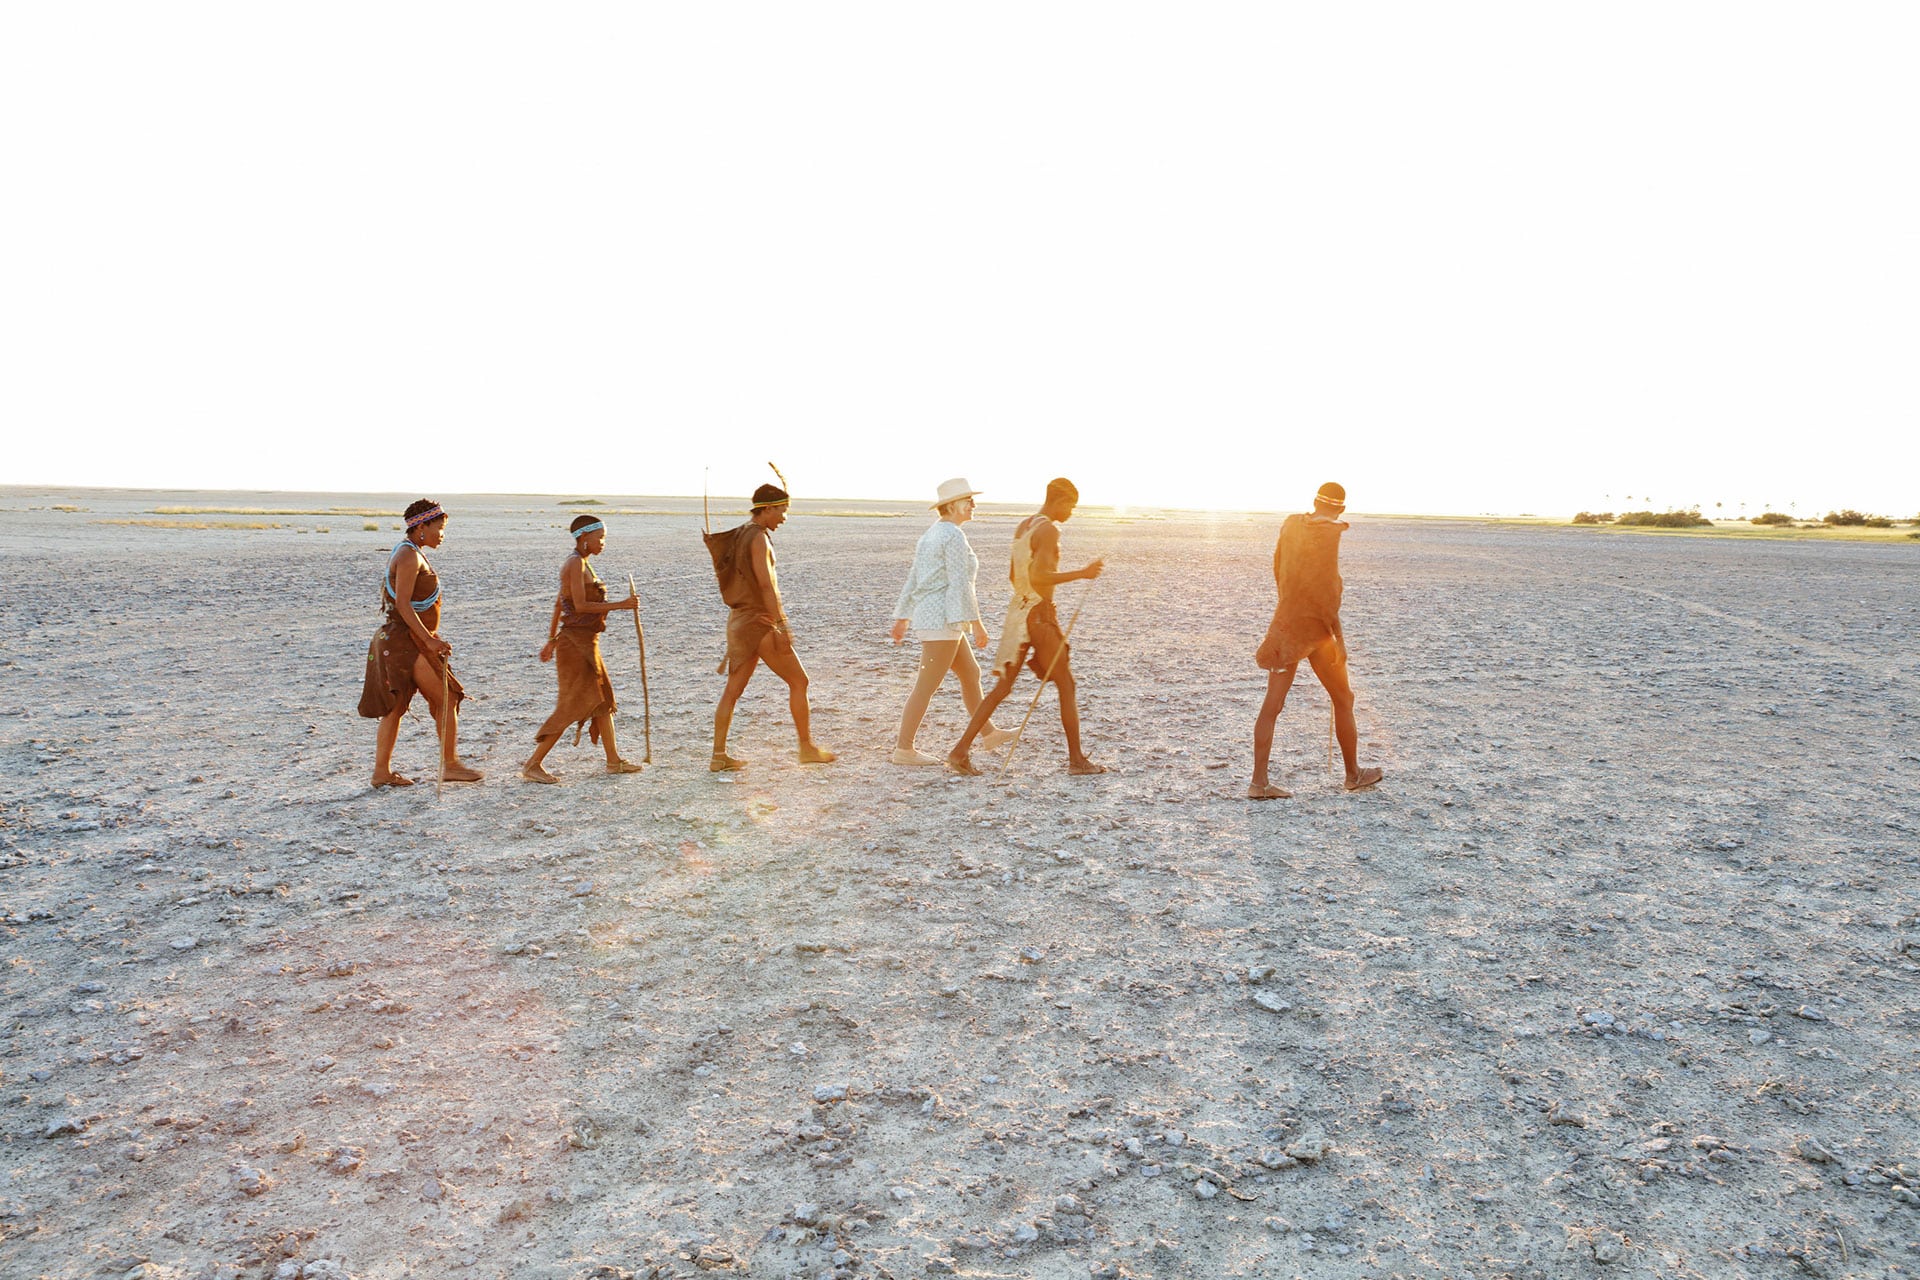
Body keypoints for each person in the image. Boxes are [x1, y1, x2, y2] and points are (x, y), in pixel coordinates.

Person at [948, 477, 1106, 777]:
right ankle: (1076, 761)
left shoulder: (1025, 526)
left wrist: (1030, 597)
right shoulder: (1048, 529)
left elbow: (1014, 575)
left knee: (1002, 687)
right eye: (1070, 506)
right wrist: (1082, 574)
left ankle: (959, 751)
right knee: (1066, 685)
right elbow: (1040, 577)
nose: (1070, 513)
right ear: (1059, 500)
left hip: (1018, 613)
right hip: (1039, 617)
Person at [1248, 481, 1383, 799]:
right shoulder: (1329, 534)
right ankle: (1352, 775)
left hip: (1286, 627)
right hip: (1316, 631)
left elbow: (1278, 567)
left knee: (1272, 706)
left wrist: (1287, 605)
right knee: (1343, 699)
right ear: (1341, 509)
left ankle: (1259, 783)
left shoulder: (1292, 524)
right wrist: (1339, 638)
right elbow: (1326, 594)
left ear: (1313, 501)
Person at [887, 478, 1017, 765]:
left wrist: (903, 616)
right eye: (968, 500)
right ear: (953, 505)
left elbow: (914, 578)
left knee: (970, 673)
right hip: (942, 621)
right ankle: (903, 750)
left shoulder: (932, 534)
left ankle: (989, 733)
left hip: (937, 619)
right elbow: (960, 585)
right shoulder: (953, 537)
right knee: (926, 685)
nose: (973, 504)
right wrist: (978, 624)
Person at [708, 482, 836, 771]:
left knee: (732, 691)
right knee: (799, 681)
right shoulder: (758, 538)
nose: (784, 518)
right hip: (759, 622)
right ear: (766, 509)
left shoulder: (741, 533)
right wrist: (781, 624)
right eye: (781, 511)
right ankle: (806, 748)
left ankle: (718, 755)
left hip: (739, 622)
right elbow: (767, 586)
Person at [358, 499, 483, 787]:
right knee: (447, 697)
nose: (442, 534)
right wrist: (428, 639)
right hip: (406, 643)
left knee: (397, 705)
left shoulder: (412, 553)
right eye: (439, 528)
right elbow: (403, 604)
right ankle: (450, 764)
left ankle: (381, 773)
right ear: (422, 526)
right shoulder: (409, 556)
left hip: (403, 640)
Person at [520, 515, 645, 783]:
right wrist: (621, 605)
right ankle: (533, 763)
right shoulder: (574, 564)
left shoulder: (583, 564)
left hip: (586, 643)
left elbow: (558, 604)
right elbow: (578, 606)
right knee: (572, 704)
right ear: (584, 537)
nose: (603, 543)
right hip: (575, 646)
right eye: (600, 537)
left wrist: (551, 639)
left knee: (602, 700)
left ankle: (614, 761)